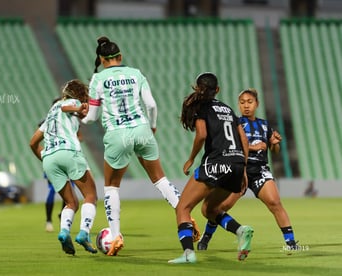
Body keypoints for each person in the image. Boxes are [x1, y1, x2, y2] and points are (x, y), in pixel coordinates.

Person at [81, 36, 200, 256]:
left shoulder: (98, 79)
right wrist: (152, 126)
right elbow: (152, 105)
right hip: (142, 129)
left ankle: (116, 236)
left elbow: (92, 117)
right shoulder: (136, 74)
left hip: (117, 134)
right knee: (161, 179)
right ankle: (186, 217)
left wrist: (82, 116)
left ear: (101, 59)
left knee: (111, 186)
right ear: (120, 57)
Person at [197, 88, 299, 252]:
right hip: (240, 169)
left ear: (256, 104)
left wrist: (275, 143)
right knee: (221, 207)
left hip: (259, 171)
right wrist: (253, 147)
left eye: (249, 102)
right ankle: (206, 238)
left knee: (275, 202)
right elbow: (234, 145)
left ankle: (291, 243)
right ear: (238, 105)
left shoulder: (265, 125)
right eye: (242, 102)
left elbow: (274, 151)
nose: (246, 106)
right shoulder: (235, 123)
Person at [168, 73, 254, 264]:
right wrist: (244, 170)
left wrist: (190, 159)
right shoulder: (228, 109)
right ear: (217, 90)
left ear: (198, 89)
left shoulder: (202, 107)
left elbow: (201, 135)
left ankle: (188, 254)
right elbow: (244, 140)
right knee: (209, 209)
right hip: (237, 163)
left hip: (217, 163)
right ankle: (241, 231)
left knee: (183, 207)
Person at [29, 79, 98, 255]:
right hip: (68, 151)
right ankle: (84, 233)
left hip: (50, 159)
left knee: (70, 202)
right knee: (90, 196)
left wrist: (44, 156)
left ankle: (64, 232)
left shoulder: (50, 113)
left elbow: (33, 142)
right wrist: (78, 107)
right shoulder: (69, 102)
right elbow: (66, 107)